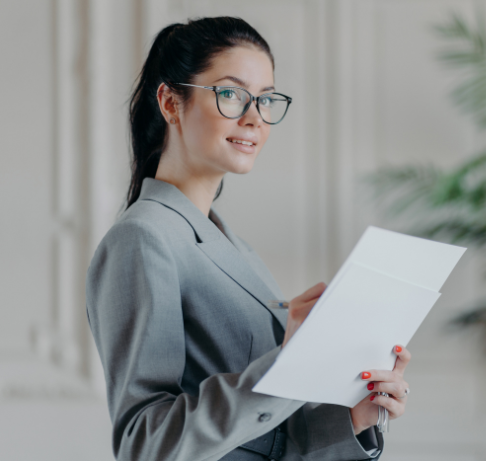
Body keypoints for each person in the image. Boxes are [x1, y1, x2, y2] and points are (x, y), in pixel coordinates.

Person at [86, 16, 411, 461]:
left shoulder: (235, 247)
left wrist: (355, 417)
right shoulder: (143, 239)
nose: (255, 118)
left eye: (266, 99)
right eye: (231, 94)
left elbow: (272, 442)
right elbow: (145, 444)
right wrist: (287, 364)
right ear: (170, 102)